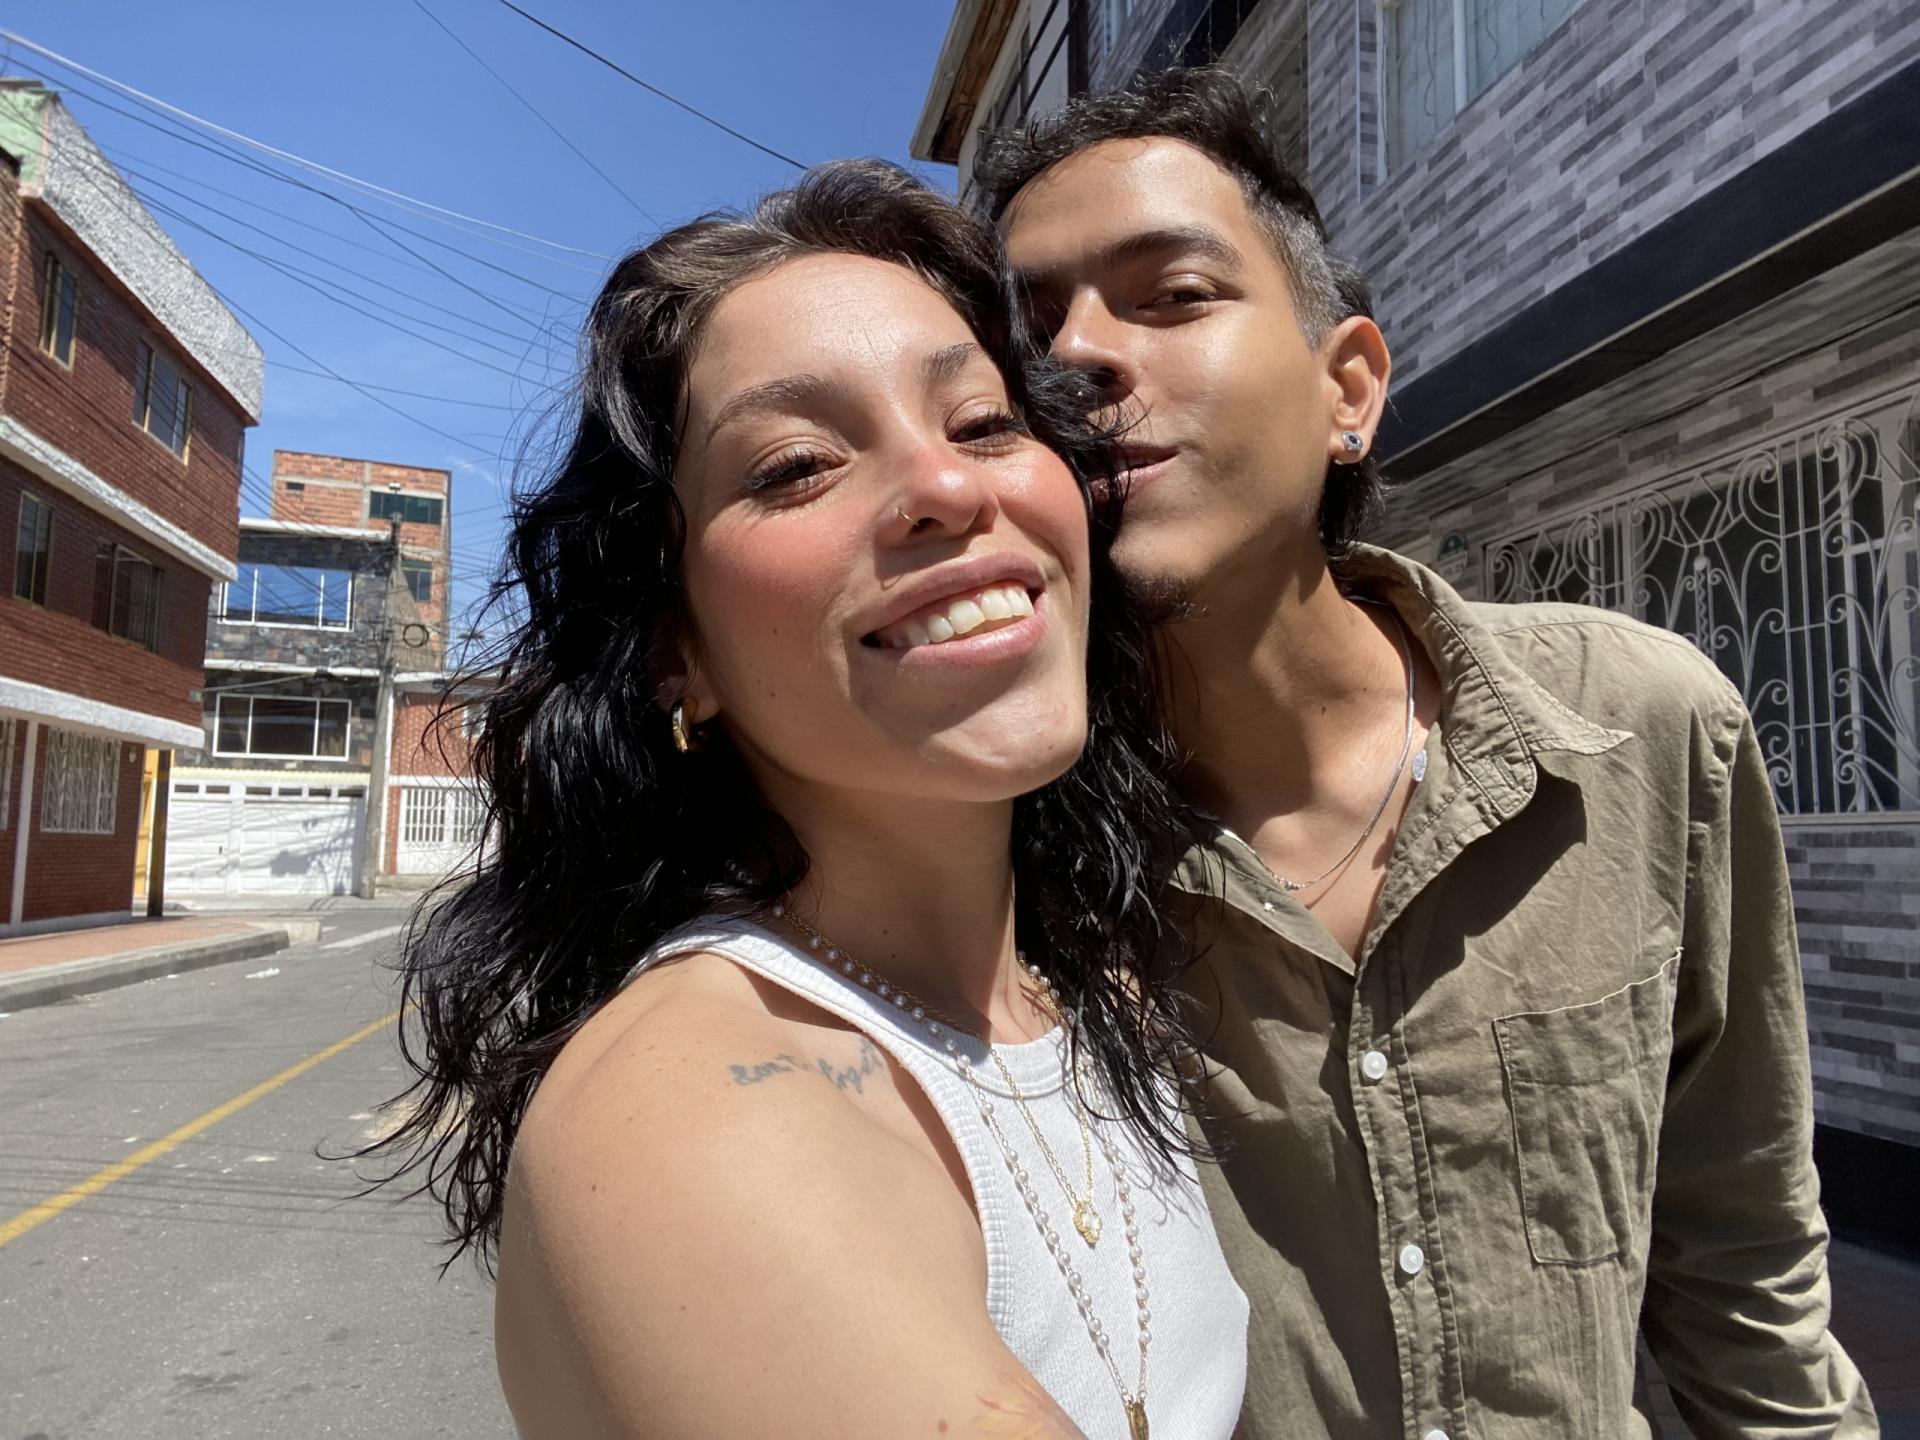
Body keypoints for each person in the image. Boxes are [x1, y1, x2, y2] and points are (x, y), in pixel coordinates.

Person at [975, 67, 1877, 1440]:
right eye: (1031, 335)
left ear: (1348, 388)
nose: (1082, 358)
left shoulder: (1644, 727)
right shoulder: (998, 858)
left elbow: (1744, 1266)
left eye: (1173, 294)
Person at [369, 160, 1248, 1440]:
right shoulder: (698, 1112)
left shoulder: (1091, 991)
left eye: (984, 423)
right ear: (676, 650)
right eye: (792, 467)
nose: (951, 488)